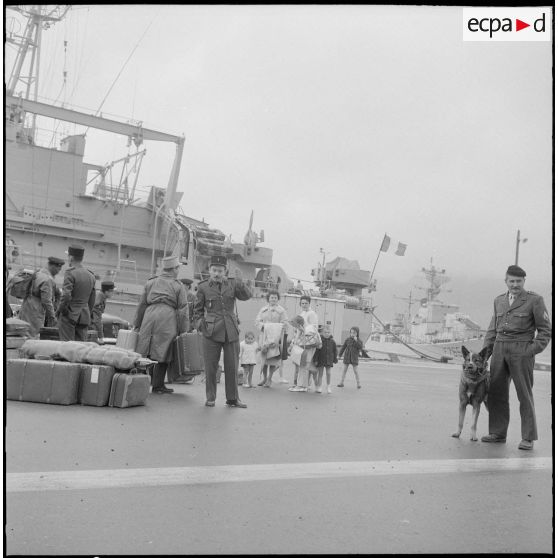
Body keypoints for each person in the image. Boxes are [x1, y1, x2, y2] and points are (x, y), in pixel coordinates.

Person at [481, 265, 551, 450]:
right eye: (511, 281)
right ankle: (497, 432)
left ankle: (528, 438)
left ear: (524, 281)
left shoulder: (535, 300)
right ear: (506, 282)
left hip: (522, 350)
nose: (515, 285)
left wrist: (530, 350)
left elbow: (545, 330)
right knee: (496, 393)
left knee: (524, 395)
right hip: (499, 350)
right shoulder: (499, 301)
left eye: (519, 281)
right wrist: (483, 356)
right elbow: (491, 330)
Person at [193, 255, 252, 408]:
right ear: (209, 270)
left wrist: (241, 282)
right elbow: (197, 311)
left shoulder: (233, 284)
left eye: (220, 271)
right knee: (210, 367)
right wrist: (200, 324)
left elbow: (247, 296)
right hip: (210, 331)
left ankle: (233, 399)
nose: (217, 273)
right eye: (214, 270)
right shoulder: (203, 287)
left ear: (225, 271)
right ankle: (210, 397)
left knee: (232, 366)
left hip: (230, 330)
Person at [134, 255, 189, 394]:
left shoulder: (151, 282)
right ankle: (158, 385)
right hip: (167, 316)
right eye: (178, 268)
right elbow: (182, 309)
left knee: (145, 349)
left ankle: (139, 382)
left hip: (149, 314)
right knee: (163, 350)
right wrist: (184, 330)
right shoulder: (178, 285)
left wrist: (137, 324)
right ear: (174, 269)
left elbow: (141, 304)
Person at [57, 245, 96, 341]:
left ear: (71, 258)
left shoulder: (70, 273)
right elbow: (92, 299)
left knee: (67, 346)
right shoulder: (91, 276)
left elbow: (66, 296)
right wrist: (87, 312)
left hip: (69, 315)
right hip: (84, 316)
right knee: (80, 347)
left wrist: (59, 311)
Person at [19, 256, 65, 337]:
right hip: (36, 309)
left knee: (23, 332)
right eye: (58, 269)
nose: (58, 272)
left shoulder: (38, 272)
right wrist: (52, 316)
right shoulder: (47, 279)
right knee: (34, 335)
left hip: (26, 305)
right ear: (53, 266)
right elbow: (46, 301)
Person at [255, 290, 289, 386]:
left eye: (275, 297)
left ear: (278, 299)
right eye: (271, 297)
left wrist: (276, 328)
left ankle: (270, 378)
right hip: (264, 338)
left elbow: (285, 323)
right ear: (268, 299)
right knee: (264, 359)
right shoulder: (263, 310)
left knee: (273, 359)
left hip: (276, 338)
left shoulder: (281, 311)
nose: (273, 299)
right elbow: (257, 321)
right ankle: (264, 378)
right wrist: (264, 326)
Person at [288, 316, 322, 393]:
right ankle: (303, 385)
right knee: (303, 367)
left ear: (298, 323)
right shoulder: (299, 329)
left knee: (304, 367)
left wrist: (303, 331)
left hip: (308, 349)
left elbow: (313, 339)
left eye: (294, 324)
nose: (294, 326)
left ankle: (302, 386)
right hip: (304, 349)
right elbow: (295, 338)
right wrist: (291, 346)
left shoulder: (309, 328)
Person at [313, 324, 338, 394]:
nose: (327, 334)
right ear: (322, 333)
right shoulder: (320, 341)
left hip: (329, 360)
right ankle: (319, 387)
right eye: (325, 332)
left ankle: (328, 386)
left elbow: (334, 351)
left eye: (328, 332)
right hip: (321, 360)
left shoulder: (332, 341)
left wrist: (335, 359)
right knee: (320, 374)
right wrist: (315, 360)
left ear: (330, 333)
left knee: (329, 373)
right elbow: (316, 351)